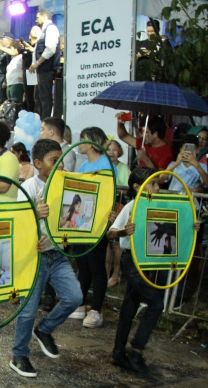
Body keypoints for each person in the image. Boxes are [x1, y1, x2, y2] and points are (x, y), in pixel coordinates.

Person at [10, 139, 82, 378]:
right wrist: (34, 214)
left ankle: (45, 329)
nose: (60, 164)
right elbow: (19, 222)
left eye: (61, 160)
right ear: (38, 163)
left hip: (58, 253)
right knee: (28, 310)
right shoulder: (30, 187)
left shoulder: (65, 185)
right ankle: (19, 355)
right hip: (34, 257)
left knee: (74, 296)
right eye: (54, 160)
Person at [109, 168, 164, 373]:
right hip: (131, 262)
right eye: (153, 184)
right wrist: (125, 231)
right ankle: (136, 350)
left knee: (129, 307)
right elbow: (111, 233)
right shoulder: (133, 206)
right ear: (137, 187)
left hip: (145, 262)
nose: (157, 188)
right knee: (156, 303)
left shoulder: (156, 206)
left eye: (157, 184)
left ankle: (118, 352)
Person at [68, 127, 112, 328]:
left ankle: (96, 310)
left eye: (83, 139)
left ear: (93, 142)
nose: (80, 143)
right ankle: (80, 303)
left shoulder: (105, 165)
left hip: (97, 223)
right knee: (83, 264)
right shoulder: (84, 164)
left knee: (96, 266)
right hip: (81, 222)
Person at [106, 140, 131, 288]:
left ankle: (116, 274)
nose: (111, 152)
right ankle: (105, 273)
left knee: (116, 243)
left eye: (115, 150)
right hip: (105, 206)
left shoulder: (123, 168)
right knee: (107, 243)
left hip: (118, 205)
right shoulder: (103, 166)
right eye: (108, 149)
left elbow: (127, 187)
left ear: (119, 152)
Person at [28, 9, 61, 119]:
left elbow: (50, 49)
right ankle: (41, 122)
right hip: (41, 70)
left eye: (38, 17)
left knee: (45, 98)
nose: (36, 19)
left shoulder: (51, 28)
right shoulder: (43, 31)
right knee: (39, 98)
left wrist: (37, 63)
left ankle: (46, 122)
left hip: (47, 69)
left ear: (45, 16)